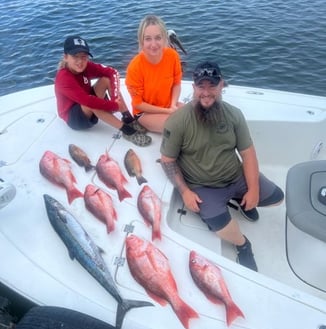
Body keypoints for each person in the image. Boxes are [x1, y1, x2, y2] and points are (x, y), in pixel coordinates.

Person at [160, 61, 284, 271]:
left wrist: (253, 190)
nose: (206, 93)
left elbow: (248, 153)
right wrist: (186, 192)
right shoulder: (177, 121)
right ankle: (243, 245)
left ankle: (240, 200)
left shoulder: (234, 114)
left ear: (221, 86)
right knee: (220, 226)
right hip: (203, 186)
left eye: (212, 86)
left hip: (235, 176)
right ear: (194, 88)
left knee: (277, 198)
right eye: (201, 86)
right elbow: (167, 160)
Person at [55, 35, 151, 147]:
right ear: (65, 57)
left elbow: (112, 72)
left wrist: (115, 98)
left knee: (106, 79)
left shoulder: (86, 66)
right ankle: (126, 131)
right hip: (74, 119)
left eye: (84, 57)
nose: (80, 61)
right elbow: (88, 101)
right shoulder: (63, 78)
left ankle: (128, 119)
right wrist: (113, 106)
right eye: (75, 57)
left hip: (87, 103)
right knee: (91, 103)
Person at [125, 15, 184, 133]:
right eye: (148, 39)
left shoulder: (173, 56)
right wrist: (168, 112)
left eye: (158, 38)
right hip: (145, 113)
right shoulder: (135, 67)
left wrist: (172, 106)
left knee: (197, 116)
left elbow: (176, 84)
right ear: (141, 41)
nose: (153, 44)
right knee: (178, 127)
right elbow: (138, 104)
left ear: (164, 39)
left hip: (168, 106)